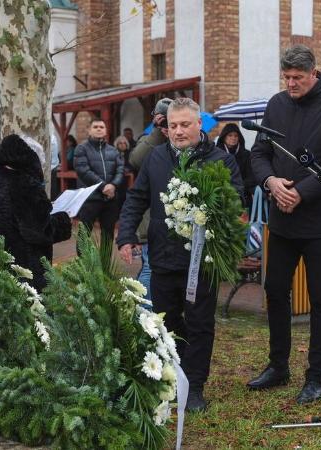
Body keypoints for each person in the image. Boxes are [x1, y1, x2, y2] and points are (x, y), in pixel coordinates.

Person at [116, 98, 243, 413]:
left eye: (185, 124)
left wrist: (210, 210)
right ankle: (175, 376)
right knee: (167, 322)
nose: (178, 131)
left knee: (200, 323)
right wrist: (127, 235)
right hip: (162, 256)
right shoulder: (157, 157)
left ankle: (195, 387)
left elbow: (237, 199)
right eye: (173, 125)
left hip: (202, 260)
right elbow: (137, 197)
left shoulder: (220, 160)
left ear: (199, 124)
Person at [247, 45, 321, 404]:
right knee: (275, 290)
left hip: (318, 220)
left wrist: (303, 192)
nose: (291, 84)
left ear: (314, 73)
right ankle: (278, 365)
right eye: (287, 77)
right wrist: (271, 183)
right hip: (280, 219)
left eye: (297, 78)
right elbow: (259, 153)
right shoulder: (277, 104)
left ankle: (316, 374)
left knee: (320, 300)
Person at [0, 134, 72, 291]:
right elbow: (39, 231)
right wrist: (63, 220)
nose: (43, 163)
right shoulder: (25, 184)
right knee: (34, 310)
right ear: (30, 157)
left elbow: (18, 217)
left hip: (3, 262)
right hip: (27, 268)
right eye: (42, 159)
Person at [128, 98, 173, 303]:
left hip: (174, 222)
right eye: (164, 120)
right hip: (151, 223)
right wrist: (157, 131)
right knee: (149, 268)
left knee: (157, 271)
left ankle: (141, 306)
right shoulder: (148, 140)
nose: (168, 126)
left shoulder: (180, 142)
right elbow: (136, 160)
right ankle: (144, 314)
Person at [74, 119, 125, 252]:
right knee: (84, 236)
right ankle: (82, 270)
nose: (98, 129)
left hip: (110, 199)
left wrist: (113, 185)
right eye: (95, 126)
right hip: (89, 198)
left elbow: (120, 170)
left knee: (108, 236)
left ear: (106, 130)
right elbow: (83, 170)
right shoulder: (81, 148)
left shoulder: (113, 151)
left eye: (101, 126)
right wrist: (103, 186)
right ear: (89, 130)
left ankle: (105, 269)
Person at [216, 123, 256, 208]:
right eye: (230, 135)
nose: (233, 138)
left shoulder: (247, 155)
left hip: (243, 195)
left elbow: (252, 177)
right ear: (224, 137)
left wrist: (238, 187)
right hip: (221, 196)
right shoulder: (216, 155)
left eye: (236, 136)